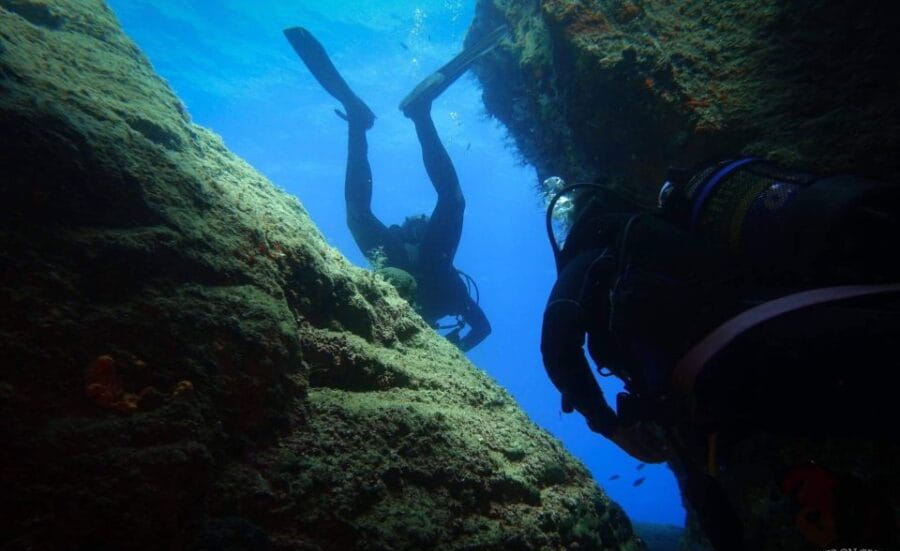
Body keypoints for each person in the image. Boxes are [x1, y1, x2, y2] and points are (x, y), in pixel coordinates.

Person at [540, 161, 900, 460]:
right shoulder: (662, 230)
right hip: (787, 310)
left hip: (730, 363)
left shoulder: (591, 253)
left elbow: (557, 341)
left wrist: (611, 427)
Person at [284, 26, 505, 352]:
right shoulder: (454, 300)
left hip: (406, 261)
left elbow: (484, 328)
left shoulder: (447, 301)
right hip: (430, 263)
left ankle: (371, 121)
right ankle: (402, 117)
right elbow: (481, 328)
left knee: (444, 202)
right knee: (361, 216)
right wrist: (451, 351)